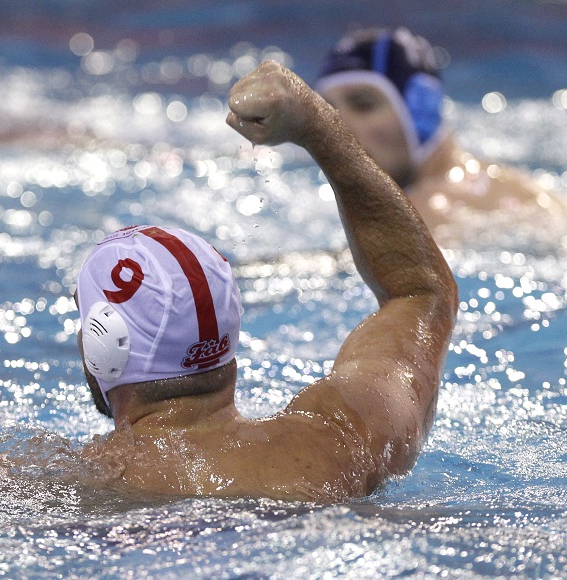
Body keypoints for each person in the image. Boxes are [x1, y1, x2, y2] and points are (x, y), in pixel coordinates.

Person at [74, 61, 458, 502]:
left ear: (106, 344)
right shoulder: (339, 442)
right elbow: (419, 292)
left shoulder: (75, 480)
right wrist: (317, 125)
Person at [316, 27, 567, 233]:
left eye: (363, 105)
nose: (338, 126)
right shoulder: (501, 181)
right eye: (328, 108)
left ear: (418, 112)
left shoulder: (437, 206)